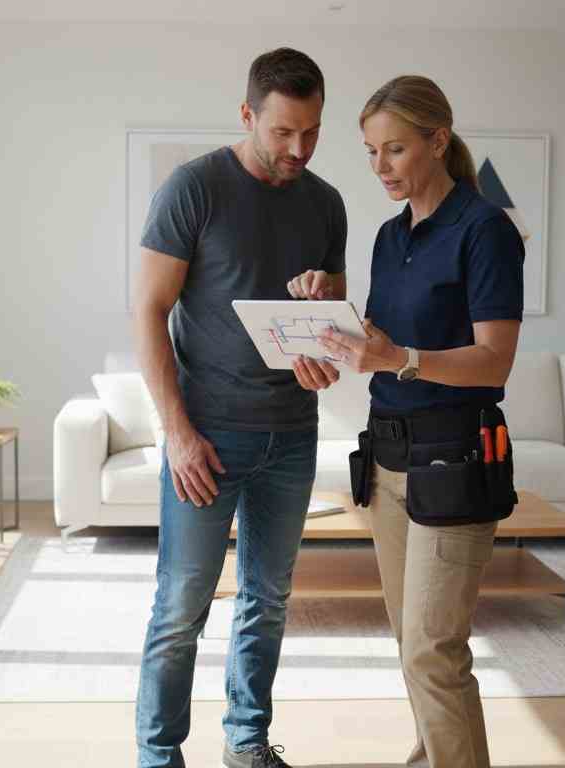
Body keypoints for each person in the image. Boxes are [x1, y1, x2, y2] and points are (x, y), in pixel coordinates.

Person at [291, 74, 524, 768]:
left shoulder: (484, 230)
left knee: (432, 649)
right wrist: (324, 303)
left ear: (438, 140)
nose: (380, 167)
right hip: (388, 459)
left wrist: (400, 357)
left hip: (454, 460)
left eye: (394, 149)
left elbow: (494, 362)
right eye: (370, 152)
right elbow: (379, 343)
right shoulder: (390, 238)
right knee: (410, 642)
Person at [133, 47, 348, 768]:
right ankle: (159, 756)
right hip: (208, 437)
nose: (299, 148)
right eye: (284, 131)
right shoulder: (193, 189)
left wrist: (324, 322)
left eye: (312, 131)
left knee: (268, 601)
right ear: (248, 114)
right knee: (181, 609)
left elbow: (335, 343)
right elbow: (148, 313)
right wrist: (177, 434)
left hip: (291, 436)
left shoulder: (326, 203)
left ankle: (247, 743)